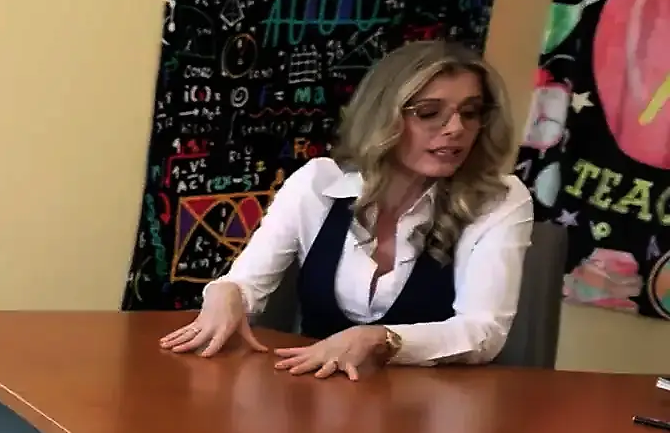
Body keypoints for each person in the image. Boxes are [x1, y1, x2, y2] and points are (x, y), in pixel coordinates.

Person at [160, 40, 534, 381]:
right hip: (310, 397)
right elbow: (246, 286)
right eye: (428, 112)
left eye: (470, 113)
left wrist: (383, 339)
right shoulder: (319, 183)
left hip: (430, 411)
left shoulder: (500, 199)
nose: (456, 129)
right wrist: (225, 293)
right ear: (383, 118)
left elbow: (483, 331)